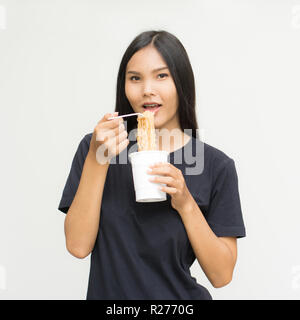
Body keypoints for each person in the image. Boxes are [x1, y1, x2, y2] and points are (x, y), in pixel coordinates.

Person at [58, 30, 246, 300]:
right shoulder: (97, 148)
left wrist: (185, 203)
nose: (147, 89)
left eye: (161, 76)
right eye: (135, 78)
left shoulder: (217, 166)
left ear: (181, 82)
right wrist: (97, 159)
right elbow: (77, 246)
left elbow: (221, 275)